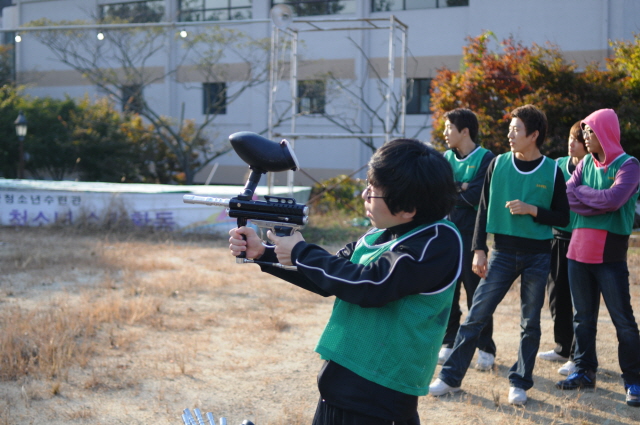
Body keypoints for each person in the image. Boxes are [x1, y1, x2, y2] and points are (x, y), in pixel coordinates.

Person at [229, 138, 462, 425]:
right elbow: (330, 277)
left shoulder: (438, 241)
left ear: (408, 207)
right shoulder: (380, 234)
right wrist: (262, 253)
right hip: (342, 383)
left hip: (380, 396)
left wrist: (301, 252)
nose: (365, 195)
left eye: (373, 191)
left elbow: (371, 285)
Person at [429, 104, 570, 406]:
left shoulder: (552, 170)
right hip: (502, 252)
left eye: (516, 130)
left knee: (530, 323)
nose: (510, 134)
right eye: (510, 129)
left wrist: (533, 210)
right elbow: (482, 208)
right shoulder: (498, 163)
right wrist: (479, 249)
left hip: (538, 255)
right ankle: (450, 378)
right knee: (475, 316)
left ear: (534, 135)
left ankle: (519, 382)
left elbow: (563, 217)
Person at [555, 109, 640, 407]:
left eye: (590, 131)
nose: (586, 137)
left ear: (606, 132)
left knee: (623, 321)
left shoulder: (629, 165)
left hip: (610, 254)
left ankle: (634, 380)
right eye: (585, 132)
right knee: (582, 318)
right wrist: (598, 202)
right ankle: (584, 371)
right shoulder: (584, 164)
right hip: (577, 252)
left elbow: (615, 200)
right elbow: (567, 197)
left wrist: (585, 194)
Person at [440, 108, 497, 371]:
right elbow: (438, 193)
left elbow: (476, 196)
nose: (445, 133)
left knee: (477, 295)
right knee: (448, 292)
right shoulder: (444, 158)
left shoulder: (486, 158)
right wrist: (462, 187)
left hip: (473, 236)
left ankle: (485, 347)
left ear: (464, 131)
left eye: (449, 128)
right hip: (447, 235)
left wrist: (455, 190)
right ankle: (449, 340)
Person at [537, 121, 587, 376]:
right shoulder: (557, 165)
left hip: (581, 239)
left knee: (580, 300)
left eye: (577, 139)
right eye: (570, 138)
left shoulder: (592, 168)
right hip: (556, 238)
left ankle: (578, 355)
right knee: (557, 296)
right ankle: (562, 347)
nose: (571, 143)